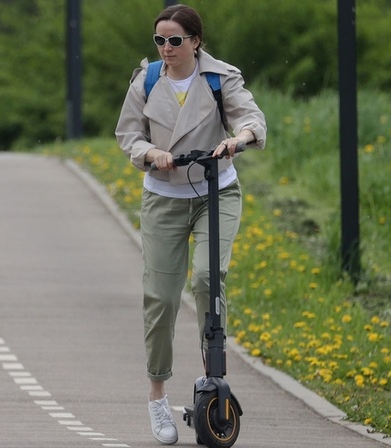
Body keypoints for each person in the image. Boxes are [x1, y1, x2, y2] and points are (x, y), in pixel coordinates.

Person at [115, 4, 266, 445]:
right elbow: (128, 134)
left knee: (206, 276)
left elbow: (251, 118)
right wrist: (150, 153)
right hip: (164, 196)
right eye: (160, 40)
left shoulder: (220, 78)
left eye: (175, 40)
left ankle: (212, 377)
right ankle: (158, 393)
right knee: (161, 297)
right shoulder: (146, 81)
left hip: (215, 191)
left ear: (196, 41)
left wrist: (236, 140)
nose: (166, 48)